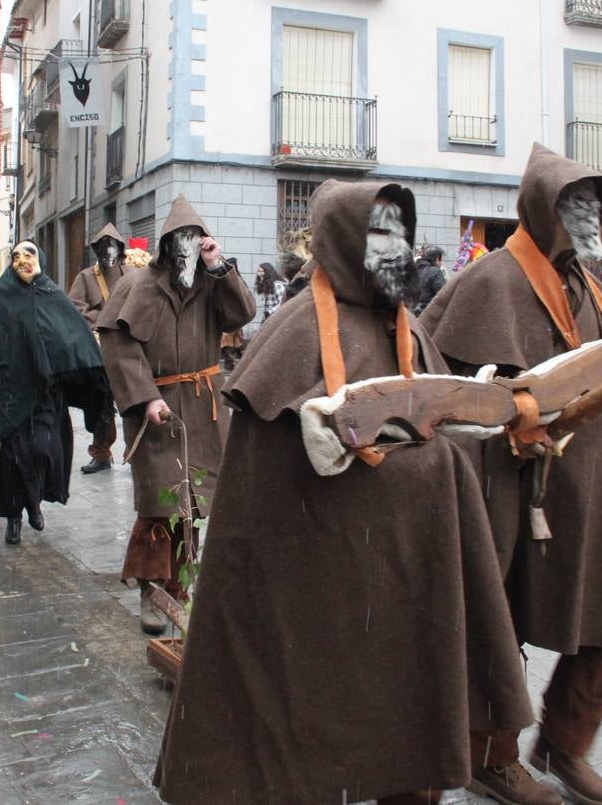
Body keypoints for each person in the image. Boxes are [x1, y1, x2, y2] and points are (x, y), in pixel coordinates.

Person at [154, 179, 533, 805]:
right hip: (321, 591)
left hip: (408, 581)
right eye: (378, 233)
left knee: (410, 721)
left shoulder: (408, 329)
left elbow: (436, 432)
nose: (394, 249)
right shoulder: (296, 332)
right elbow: (265, 501)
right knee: (319, 730)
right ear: (345, 240)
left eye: (399, 234)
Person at [420, 144, 602, 805]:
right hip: (515, 485)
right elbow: (435, 375)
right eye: (573, 204)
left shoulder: (587, 282)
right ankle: (490, 756)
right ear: (542, 209)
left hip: (597, 482)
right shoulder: (493, 279)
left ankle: (567, 745)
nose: (587, 217)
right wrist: (508, 411)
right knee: (497, 621)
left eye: (593, 204)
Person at [96, 195, 256, 633]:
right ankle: (152, 590)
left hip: (203, 410)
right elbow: (118, 345)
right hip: (156, 413)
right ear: (167, 244)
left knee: (193, 503)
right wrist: (146, 397)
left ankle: (180, 588)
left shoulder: (211, 281)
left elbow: (244, 312)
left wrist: (219, 265)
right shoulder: (137, 285)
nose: (187, 248)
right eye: (181, 240)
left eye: (195, 239)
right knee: (158, 505)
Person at [0, 241, 114, 544]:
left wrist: (95, 377)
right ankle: (14, 518)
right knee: (10, 460)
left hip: (44, 394)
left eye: (29, 255)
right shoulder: (1, 296)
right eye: (16, 256)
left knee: (42, 452)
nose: (22, 261)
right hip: (6, 394)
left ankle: (35, 503)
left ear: (40, 258)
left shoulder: (52, 294)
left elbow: (75, 337)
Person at [68, 223, 128, 474]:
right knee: (101, 403)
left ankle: (136, 453)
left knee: (135, 402)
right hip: (98, 352)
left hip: (127, 349)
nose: (107, 253)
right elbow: (74, 306)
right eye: (102, 248)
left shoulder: (132, 274)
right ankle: (101, 453)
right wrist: (103, 318)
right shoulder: (85, 277)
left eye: (111, 247)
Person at [413, 245, 446, 314]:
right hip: (426, 315)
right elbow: (444, 295)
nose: (441, 263)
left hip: (409, 316)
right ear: (437, 260)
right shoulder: (435, 271)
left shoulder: (411, 269)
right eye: (441, 260)